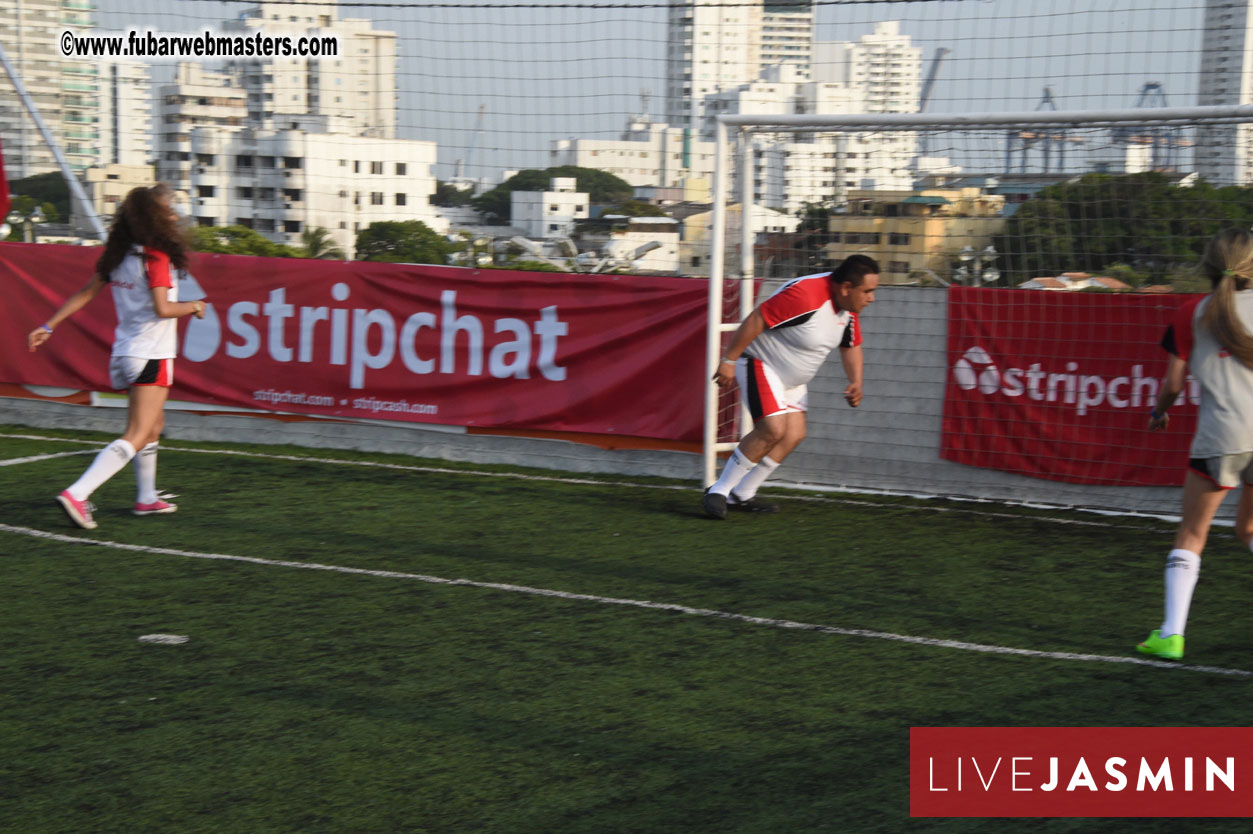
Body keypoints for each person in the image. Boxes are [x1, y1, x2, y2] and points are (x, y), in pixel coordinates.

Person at [27, 183, 207, 530]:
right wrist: (195, 306)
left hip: (127, 352)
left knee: (154, 425)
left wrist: (48, 325)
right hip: (151, 354)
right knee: (138, 432)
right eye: (168, 209)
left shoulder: (120, 253)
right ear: (155, 217)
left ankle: (146, 498)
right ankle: (78, 493)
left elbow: (85, 293)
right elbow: (163, 307)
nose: (173, 214)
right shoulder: (155, 257)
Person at [1137, 228, 1253, 660]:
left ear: (1207, 265)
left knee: (1191, 533)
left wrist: (1158, 412)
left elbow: (1172, 384)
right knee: (1249, 529)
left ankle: (1171, 634)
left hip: (1221, 436)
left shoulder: (1192, 312)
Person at [702, 254, 879, 520]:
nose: (871, 298)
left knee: (793, 435)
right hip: (760, 363)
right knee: (773, 429)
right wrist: (729, 360)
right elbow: (756, 319)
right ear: (846, 288)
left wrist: (856, 381)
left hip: (793, 380)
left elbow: (851, 345)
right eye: (867, 291)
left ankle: (743, 493)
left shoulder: (848, 309)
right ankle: (719, 490)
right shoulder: (805, 295)